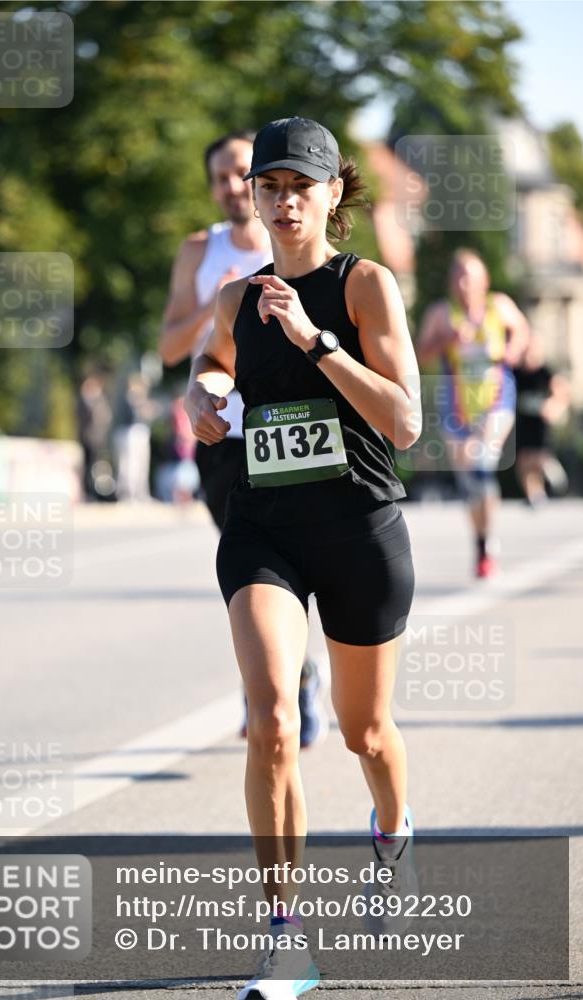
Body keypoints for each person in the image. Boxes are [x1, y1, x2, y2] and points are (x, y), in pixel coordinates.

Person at [185, 117, 421, 1000]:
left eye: (300, 187)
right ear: (252, 196)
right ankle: (286, 939)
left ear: (333, 195)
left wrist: (317, 345)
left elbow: (404, 422)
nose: (283, 202)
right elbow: (212, 364)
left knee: (364, 732)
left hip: (358, 527)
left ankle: (392, 832)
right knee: (273, 721)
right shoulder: (235, 299)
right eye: (268, 187)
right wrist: (203, 395)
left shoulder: (364, 286)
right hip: (265, 531)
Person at [161, 130, 326, 747]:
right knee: (249, 570)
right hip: (222, 438)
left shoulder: (297, 235)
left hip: (292, 429)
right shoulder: (200, 251)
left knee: (299, 560)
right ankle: (281, 681)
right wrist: (223, 306)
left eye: (240, 173)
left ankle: (284, 685)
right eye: (220, 178)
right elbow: (169, 346)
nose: (231, 187)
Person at [416, 249, 529, 577]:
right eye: (459, 276)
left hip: (496, 400)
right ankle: (482, 542)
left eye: (471, 276)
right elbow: (421, 356)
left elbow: (521, 330)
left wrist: (514, 348)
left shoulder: (499, 306)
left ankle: (486, 539)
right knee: (471, 482)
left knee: (481, 465)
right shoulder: (441, 314)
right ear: (452, 282)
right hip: (455, 407)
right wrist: (446, 340)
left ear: (484, 281)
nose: (465, 283)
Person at [514, 334, 570, 506]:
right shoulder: (517, 373)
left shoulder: (546, 373)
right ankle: (535, 495)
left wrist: (554, 407)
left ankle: (551, 471)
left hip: (541, 424)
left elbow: (563, 393)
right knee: (524, 461)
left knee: (538, 458)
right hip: (524, 423)